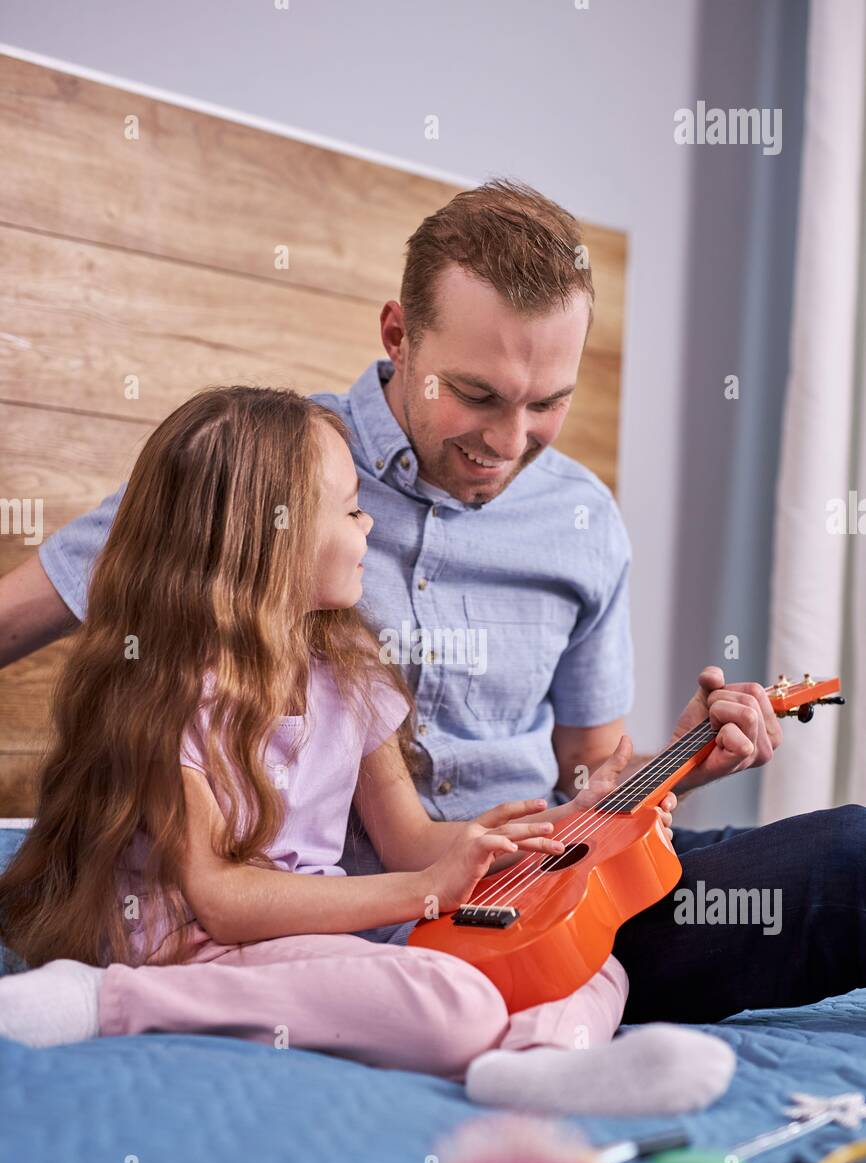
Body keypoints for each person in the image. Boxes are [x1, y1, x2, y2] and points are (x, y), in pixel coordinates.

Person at [1, 178, 862, 1102]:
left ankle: (543, 1069)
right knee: (458, 990)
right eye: (479, 395)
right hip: (372, 916)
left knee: (846, 855)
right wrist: (427, 890)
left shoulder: (581, 519)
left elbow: (589, 777)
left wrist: (678, 759)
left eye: (547, 403)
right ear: (398, 337)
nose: (509, 440)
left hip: (526, 878)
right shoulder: (254, 473)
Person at [0, 383, 734, 1115]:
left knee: (589, 957)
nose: (370, 526)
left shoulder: (348, 677)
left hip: (302, 935)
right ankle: (108, 1001)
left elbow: (409, 836)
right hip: (192, 946)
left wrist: (516, 839)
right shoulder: (172, 689)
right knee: (452, 1004)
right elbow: (219, 900)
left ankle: (538, 1063)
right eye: (352, 509)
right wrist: (423, 892)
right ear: (269, 535)